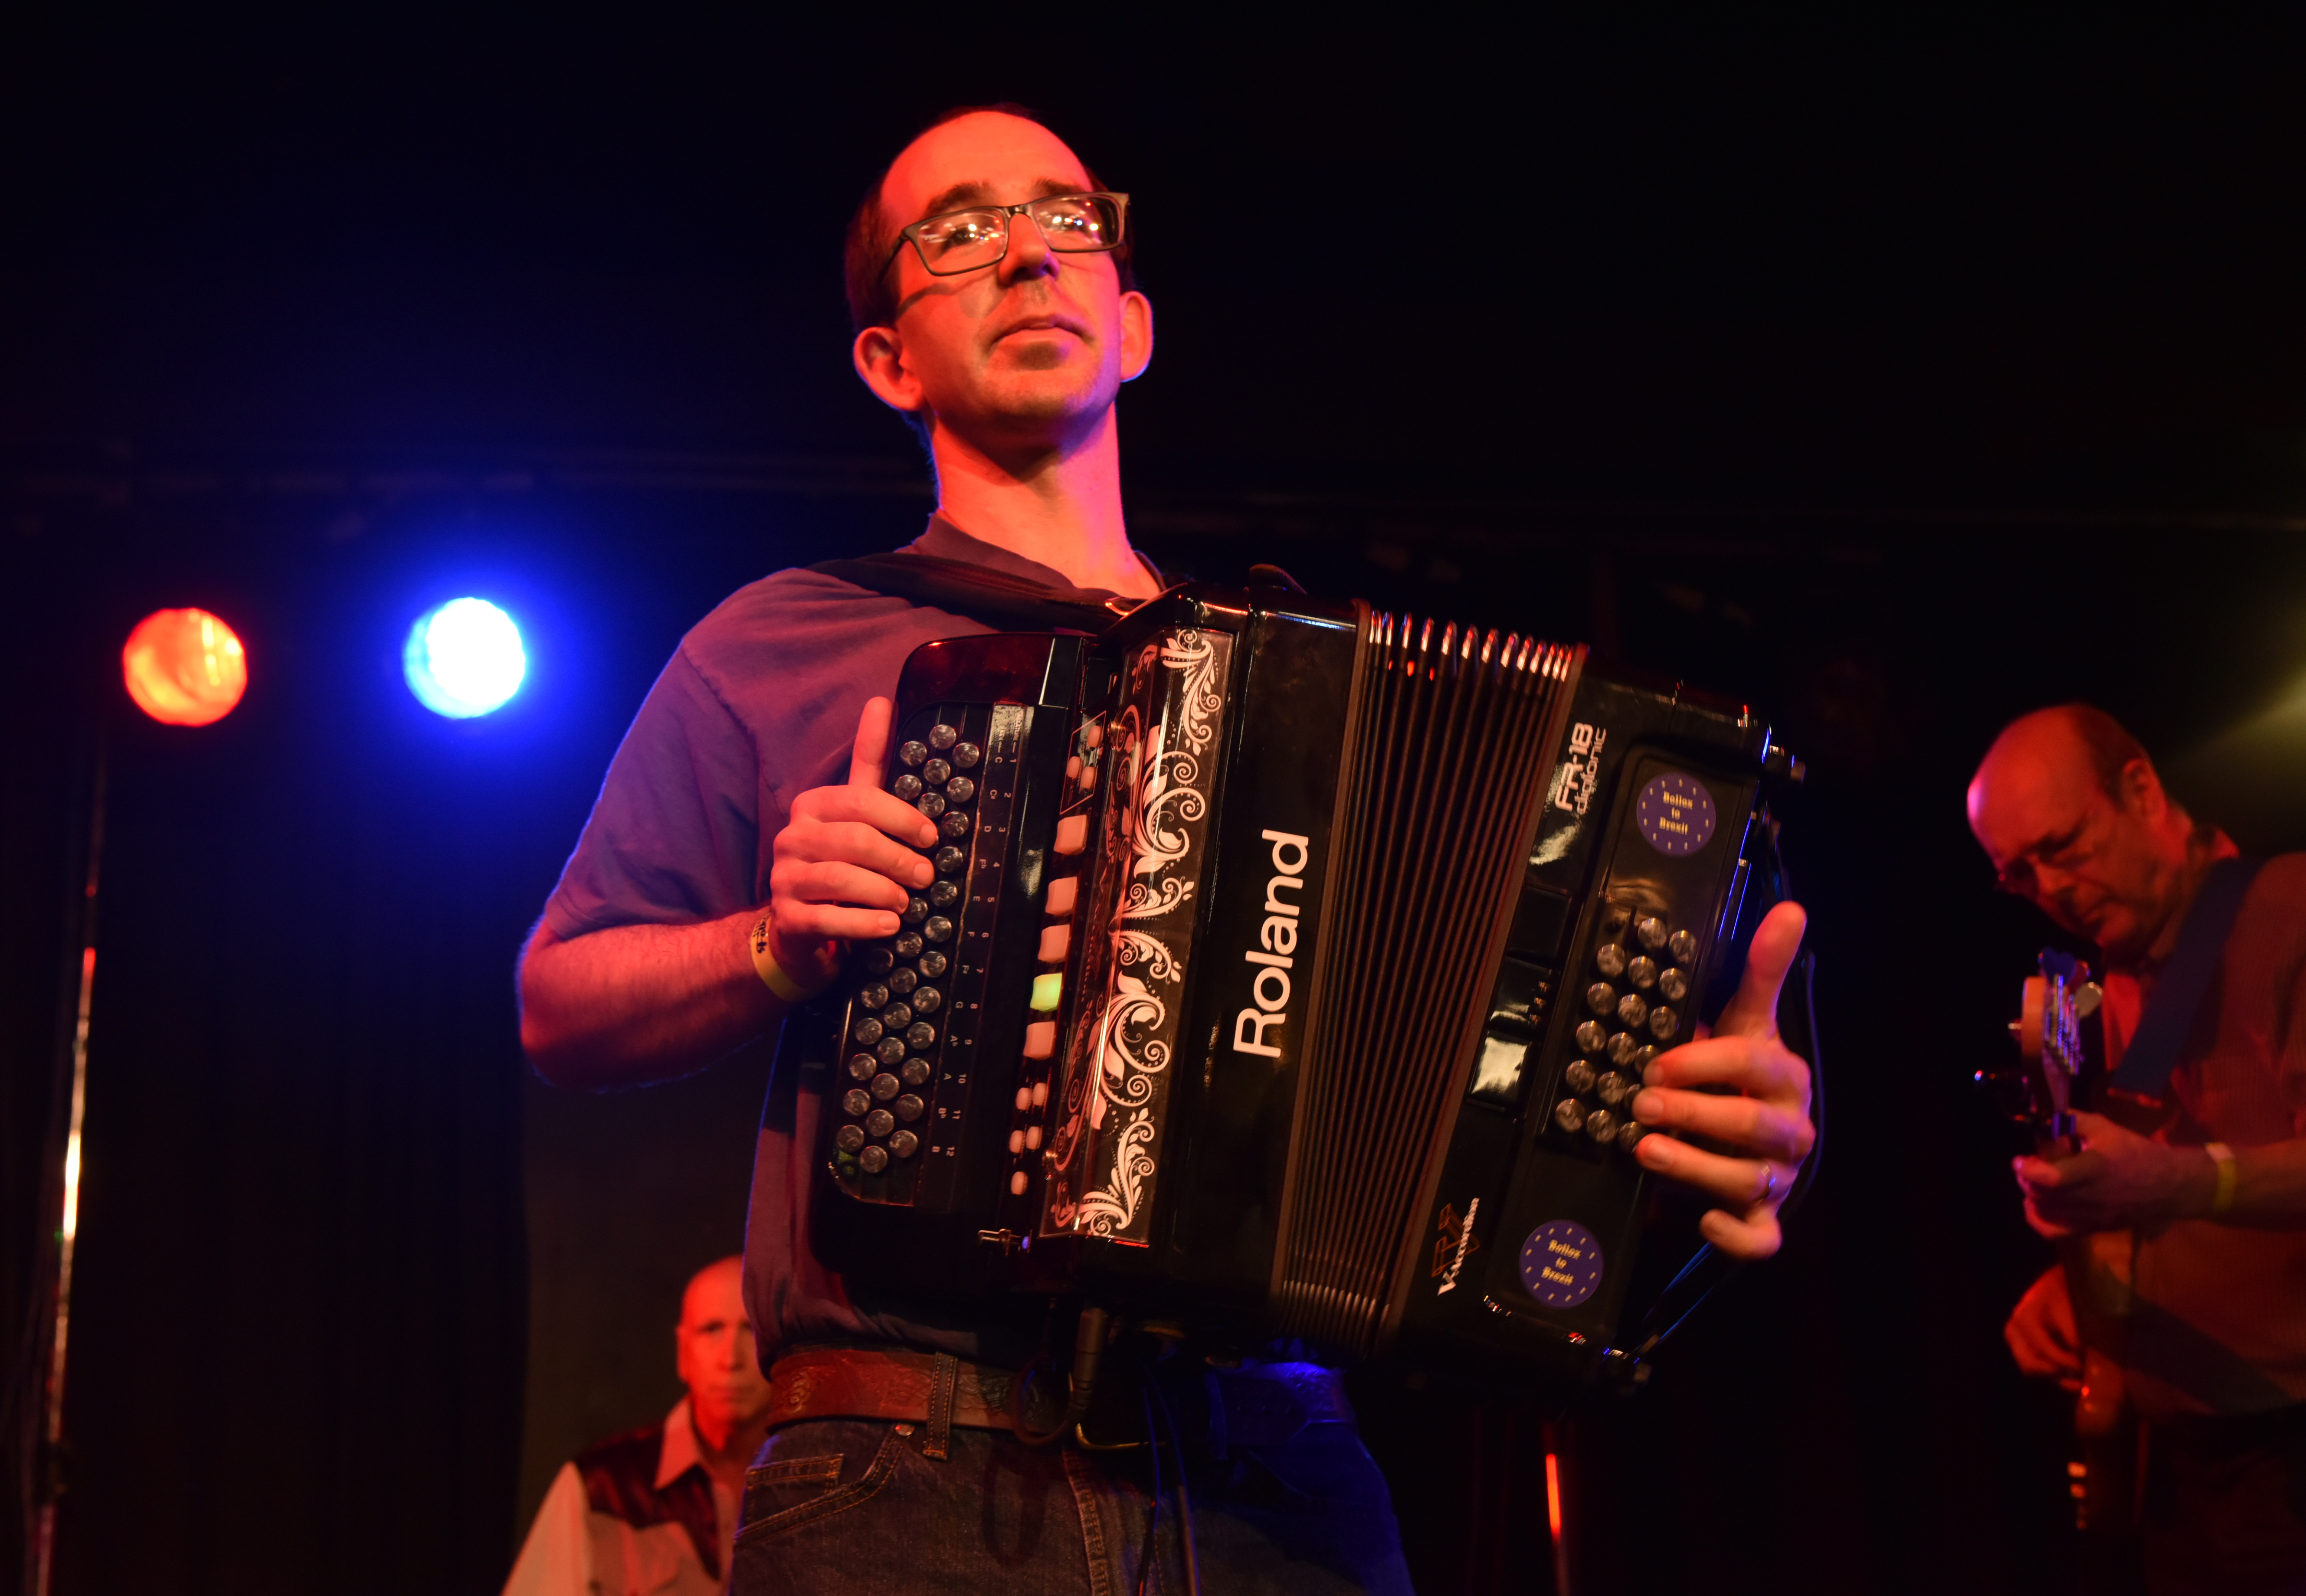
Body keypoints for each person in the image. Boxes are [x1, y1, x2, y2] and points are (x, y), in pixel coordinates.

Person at [518, 104, 1817, 1594]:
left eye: (1068, 221)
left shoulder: (1321, 693)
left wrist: (1725, 1131)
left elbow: (1526, 1087)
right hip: (911, 1469)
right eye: (956, 234)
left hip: (1281, 1467)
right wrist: (771, 939)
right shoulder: (783, 639)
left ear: (1130, 325)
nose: (1022, 256)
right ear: (887, 358)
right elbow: (560, 1002)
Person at [1969, 704, 2306, 1595]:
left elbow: (2182, 1176)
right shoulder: (2119, 974)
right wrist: (2089, 1288)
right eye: (2020, 875)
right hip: (2182, 1468)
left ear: (2143, 791)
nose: (2055, 888)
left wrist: (2174, 1185)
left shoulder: (2289, 910)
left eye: (2064, 845)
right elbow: (2171, 1176)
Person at [505, 1256, 773, 1596]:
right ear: (683, 1351)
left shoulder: (819, 1479)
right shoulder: (601, 1488)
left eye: (751, 1330)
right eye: (712, 1330)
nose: (730, 1359)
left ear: (782, 1348)